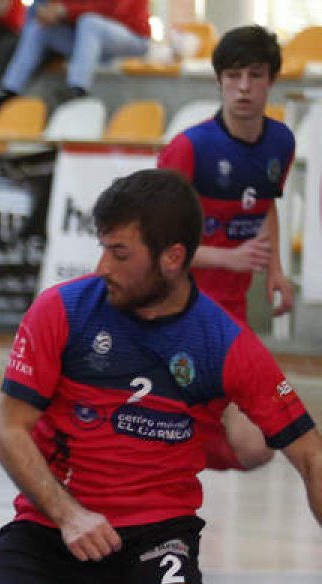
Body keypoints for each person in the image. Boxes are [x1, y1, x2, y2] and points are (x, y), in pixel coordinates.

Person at [0, 168, 322, 584]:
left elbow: (310, 451)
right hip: (51, 524)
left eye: (120, 254)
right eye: (102, 247)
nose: (103, 266)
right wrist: (68, 515)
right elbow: (6, 430)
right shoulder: (62, 310)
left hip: (156, 536)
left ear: (171, 258)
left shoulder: (223, 342)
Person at [158, 25, 295, 471]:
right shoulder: (189, 148)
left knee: (257, 448)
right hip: (180, 314)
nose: (244, 87)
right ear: (218, 80)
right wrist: (227, 257)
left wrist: (276, 269)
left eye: (255, 75)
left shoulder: (280, 142)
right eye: (234, 75)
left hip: (232, 315)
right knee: (153, 429)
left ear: (271, 80)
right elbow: (157, 245)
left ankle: (180, 447)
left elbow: (266, 206)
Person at [0, 0, 150, 109]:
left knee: (90, 22)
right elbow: (45, 8)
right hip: (87, 42)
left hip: (132, 38)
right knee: (39, 27)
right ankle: (9, 90)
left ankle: (77, 89)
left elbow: (113, 11)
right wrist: (45, 12)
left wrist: (64, 11)